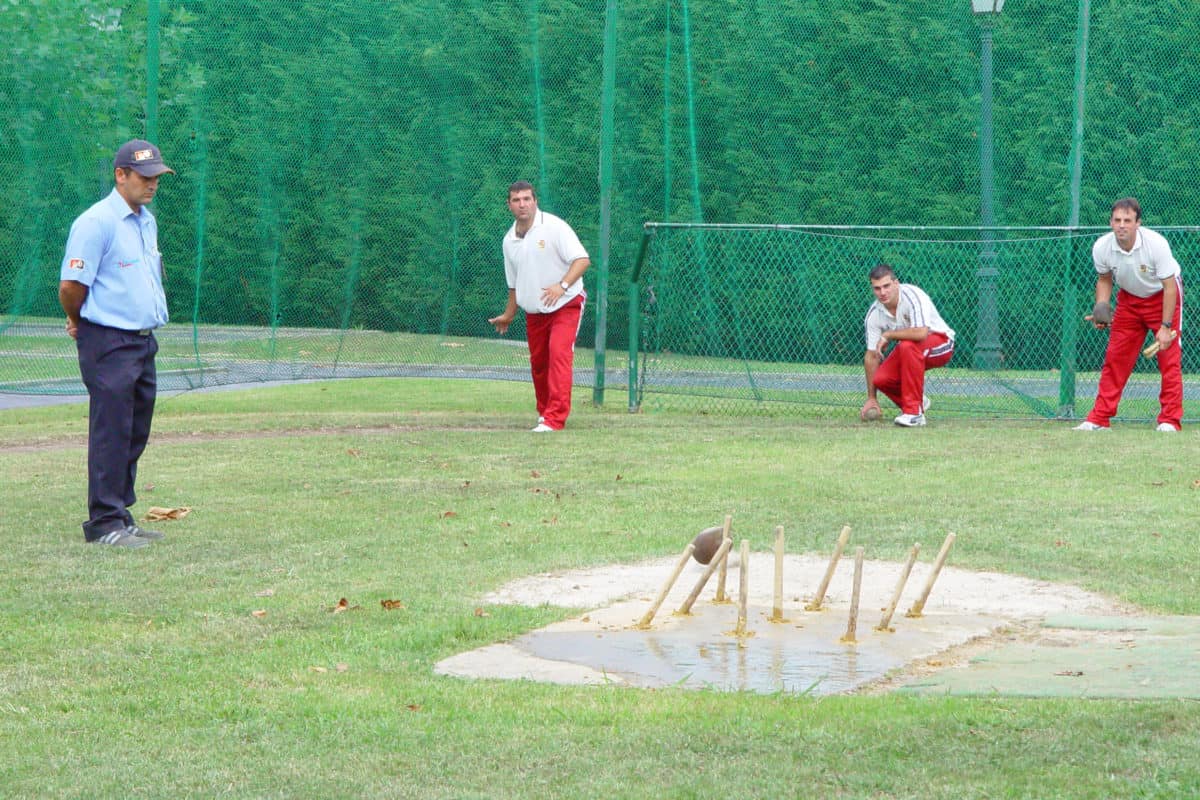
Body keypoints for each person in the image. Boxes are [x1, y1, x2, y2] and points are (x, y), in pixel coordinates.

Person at [58, 139, 175, 548]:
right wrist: (77, 320)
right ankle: (104, 524)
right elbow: (71, 285)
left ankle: (121, 513)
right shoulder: (95, 222)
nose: (153, 184)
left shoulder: (146, 220)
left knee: (134, 429)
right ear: (120, 175)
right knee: (111, 429)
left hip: (142, 342)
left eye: (157, 177)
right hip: (108, 341)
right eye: (145, 177)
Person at [488, 181, 591, 432]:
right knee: (539, 364)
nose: (522, 204)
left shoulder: (555, 227)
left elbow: (582, 260)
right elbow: (515, 284)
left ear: (535, 201)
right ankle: (545, 413)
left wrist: (562, 286)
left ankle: (555, 419)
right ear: (509, 205)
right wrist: (508, 315)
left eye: (527, 199)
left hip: (566, 304)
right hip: (535, 313)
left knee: (558, 354)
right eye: (516, 200)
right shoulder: (509, 241)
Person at [1075, 197, 1183, 432]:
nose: (1122, 225)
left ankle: (1169, 420)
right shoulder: (1102, 247)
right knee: (1115, 358)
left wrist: (1165, 326)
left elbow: (1170, 287)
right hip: (1129, 300)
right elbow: (1104, 280)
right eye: (1117, 220)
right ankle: (1099, 419)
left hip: (1163, 298)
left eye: (1127, 220)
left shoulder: (1156, 244)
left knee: (1169, 358)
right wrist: (1101, 307)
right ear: (1111, 222)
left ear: (1137, 223)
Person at [860, 263, 955, 427]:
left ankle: (913, 413)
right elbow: (871, 356)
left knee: (907, 346)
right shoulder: (874, 314)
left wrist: (888, 335)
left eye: (886, 286)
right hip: (911, 350)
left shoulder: (913, 296)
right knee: (882, 379)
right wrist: (872, 398)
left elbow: (921, 333)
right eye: (877, 288)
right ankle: (919, 402)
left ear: (896, 283)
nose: (882, 292)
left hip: (941, 343)